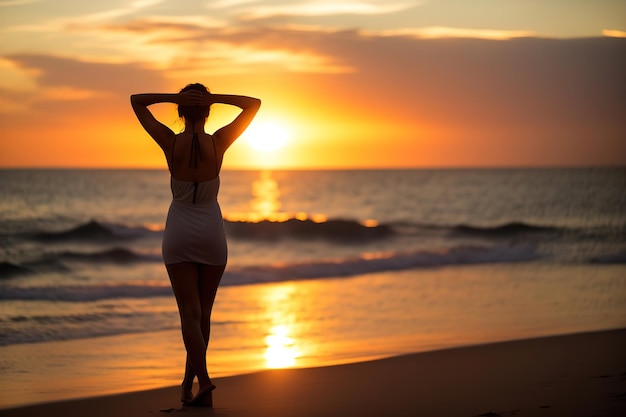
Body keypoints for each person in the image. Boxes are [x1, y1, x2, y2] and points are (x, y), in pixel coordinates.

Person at [130, 84, 261, 406]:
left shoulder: (169, 142)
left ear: (180, 112)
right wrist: (212, 99)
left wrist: (177, 99)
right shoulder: (219, 142)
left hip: (179, 230)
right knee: (204, 315)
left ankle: (201, 380)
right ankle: (191, 385)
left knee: (189, 314)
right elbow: (253, 104)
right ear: (207, 112)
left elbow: (137, 101)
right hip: (211, 232)